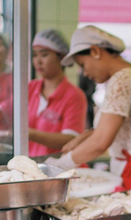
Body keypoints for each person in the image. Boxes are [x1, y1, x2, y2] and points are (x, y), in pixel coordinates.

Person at [46, 25, 131, 194]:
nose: (84, 73)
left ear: (95, 51)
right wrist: (84, 137)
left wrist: (60, 165)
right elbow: (117, 126)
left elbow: (101, 142)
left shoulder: (122, 79)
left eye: (82, 64)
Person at [28, 29, 87, 157]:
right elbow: (5, 112)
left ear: (61, 57)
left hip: (57, 166)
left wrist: (29, 133)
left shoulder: (74, 96)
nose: (38, 61)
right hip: (28, 163)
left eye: (44, 55)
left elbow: (70, 139)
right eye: (35, 55)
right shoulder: (29, 88)